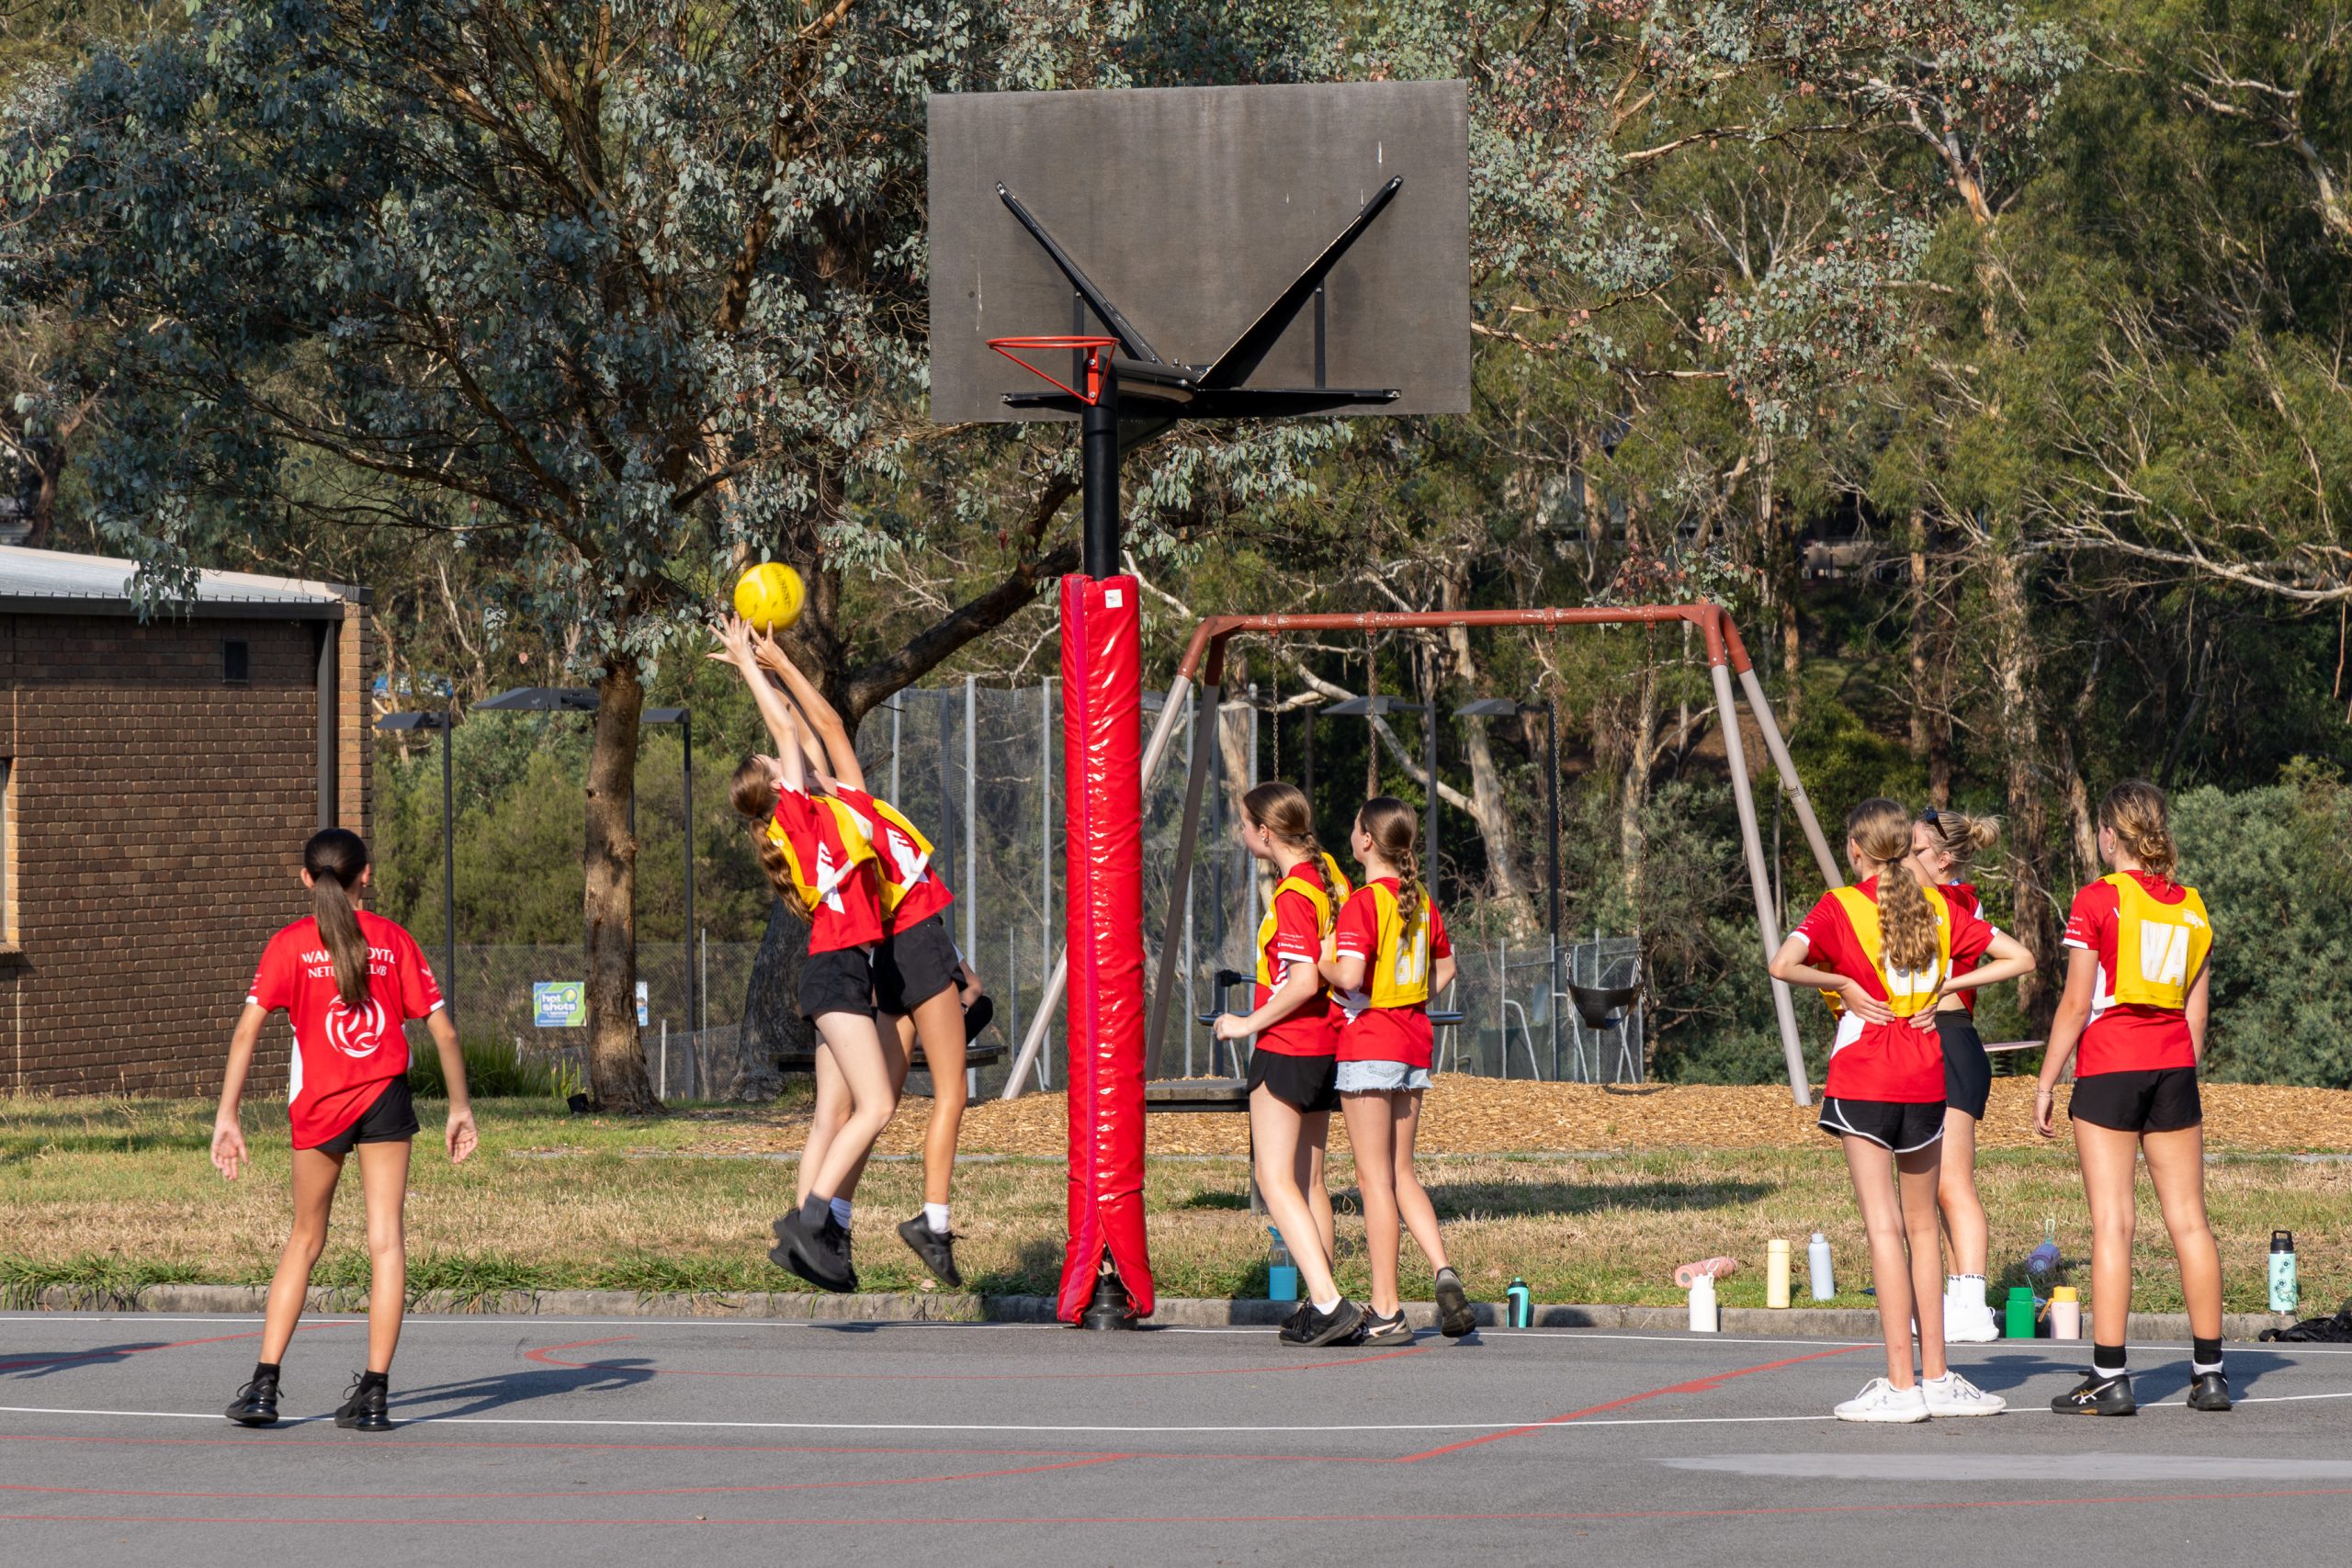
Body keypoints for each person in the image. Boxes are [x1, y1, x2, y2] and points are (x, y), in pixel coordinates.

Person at [1769, 798, 2031, 1422]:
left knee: (1884, 1228)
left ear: (1857, 851)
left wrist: (1845, 985)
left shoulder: (1841, 906)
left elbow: (1783, 963)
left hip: (1866, 1075)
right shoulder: (1939, 906)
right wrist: (1944, 986)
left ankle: (1900, 1384)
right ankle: (1936, 1376)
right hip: (1925, 1071)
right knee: (1921, 1229)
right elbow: (2021, 957)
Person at [213, 828, 477, 1432]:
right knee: (386, 1240)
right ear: (367, 875)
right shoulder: (393, 940)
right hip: (385, 1097)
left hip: (321, 1104)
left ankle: (263, 1386)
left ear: (307, 878)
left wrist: (227, 1116)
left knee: (306, 1237)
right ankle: (376, 1393)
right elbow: (445, 1032)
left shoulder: (289, 945)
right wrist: (459, 1107)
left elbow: (246, 1031)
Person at [749, 632, 989, 1286]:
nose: (793, 757)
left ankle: (833, 1224)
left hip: (886, 955)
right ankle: (932, 1224)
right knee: (950, 1093)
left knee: (865, 1103)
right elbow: (818, 724)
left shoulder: (834, 827)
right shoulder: (847, 807)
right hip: (912, 942)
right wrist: (779, 664)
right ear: (808, 782)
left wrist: (762, 669)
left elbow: (803, 728)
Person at [2036, 779, 2229, 1416]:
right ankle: (2210, 1374)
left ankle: (2109, 1375)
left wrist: (2046, 1078)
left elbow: (2073, 1002)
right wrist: (2174, 1067)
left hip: (2111, 1066)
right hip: (2173, 1065)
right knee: (2191, 1221)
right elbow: (2196, 1019)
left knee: (2113, 1222)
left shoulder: (2097, 898)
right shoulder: (2192, 905)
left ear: (2110, 834)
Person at [715, 615, 895, 1293]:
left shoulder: (800, 816)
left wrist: (761, 666)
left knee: (830, 1113)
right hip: (840, 967)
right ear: (773, 782)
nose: (776, 754)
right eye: (770, 762)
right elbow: (789, 731)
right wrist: (751, 665)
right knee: (875, 1106)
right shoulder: (792, 808)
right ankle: (812, 1221)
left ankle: (803, 1241)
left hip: (829, 967)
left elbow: (794, 729)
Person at [1321, 795, 1476, 1344]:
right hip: (1413, 1043)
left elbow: (1352, 976)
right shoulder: (1420, 900)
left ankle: (1387, 1309)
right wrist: (1407, 997)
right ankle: (1442, 1269)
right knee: (1403, 1172)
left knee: (1373, 1181)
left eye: (1355, 829)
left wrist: (1322, 962)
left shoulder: (1364, 903)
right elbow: (1448, 966)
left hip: (1368, 1046)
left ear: (1366, 841)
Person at [1212, 783, 1354, 1346]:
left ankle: (1328, 1301)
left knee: (1274, 1180)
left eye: (1244, 825)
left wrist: (1247, 1024)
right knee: (1309, 1179)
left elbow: (1301, 981)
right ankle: (1324, 1299)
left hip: (1289, 1045)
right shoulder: (1330, 876)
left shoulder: (1296, 893)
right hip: (1326, 1044)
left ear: (1265, 834)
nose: (1241, 833)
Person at [1907, 807, 2007, 1343]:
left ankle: (1972, 1301)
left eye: (1916, 851)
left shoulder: (1955, 901)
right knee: (1933, 1186)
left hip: (1951, 1040)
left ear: (1945, 860)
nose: (1903, 860)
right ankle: (1956, 1293)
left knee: (1952, 1183)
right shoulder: (1933, 899)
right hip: (1932, 1042)